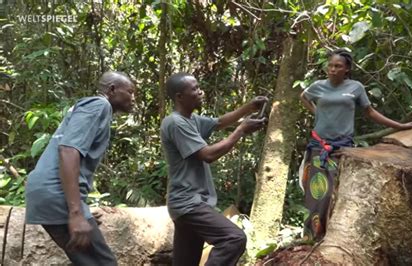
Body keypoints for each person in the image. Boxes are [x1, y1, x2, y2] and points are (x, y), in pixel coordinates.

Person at [299, 49, 412, 241]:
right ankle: (310, 238)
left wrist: (399, 125)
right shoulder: (318, 86)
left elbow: (370, 112)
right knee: (317, 193)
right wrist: (316, 112)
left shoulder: (355, 88)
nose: (332, 69)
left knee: (337, 192)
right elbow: (303, 96)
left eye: (338, 66)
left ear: (347, 69)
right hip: (319, 147)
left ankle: (332, 238)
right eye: (330, 65)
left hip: (343, 147)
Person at [25, 71, 136, 265]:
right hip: (56, 193)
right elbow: (68, 150)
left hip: (49, 194)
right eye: (130, 92)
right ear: (112, 90)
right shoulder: (99, 105)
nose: (133, 98)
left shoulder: (90, 108)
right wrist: (76, 214)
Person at [160, 72, 267, 266]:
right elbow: (207, 155)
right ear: (179, 96)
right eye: (194, 89)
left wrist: (249, 107)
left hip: (187, 203)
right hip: (188, 202)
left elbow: (219, 122)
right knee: (233, 238)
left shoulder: (191, 120)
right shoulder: (176, 123)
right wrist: (241, 130)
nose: (200, 92)